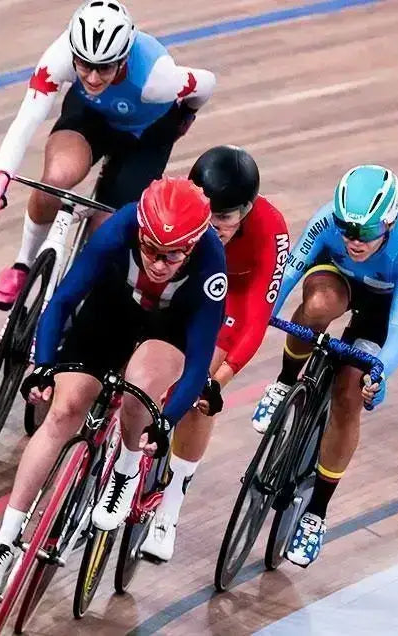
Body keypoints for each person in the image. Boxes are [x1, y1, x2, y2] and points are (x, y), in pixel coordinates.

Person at [0, 177, 226, 595]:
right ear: (140, 232)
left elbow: (198, 361)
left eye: (172, 255)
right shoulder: (119, 228)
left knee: (138, 389)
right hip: (113, 309)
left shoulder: (212, 264)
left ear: (193, 246)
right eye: (151, 251)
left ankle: (125, 470)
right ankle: (4, 542)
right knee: (63, 411)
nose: (159, 263)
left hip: (169, 329)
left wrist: (166, 423)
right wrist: (44, 367)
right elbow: (64, 300)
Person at [0, 0, 215, 310]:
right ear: (74, 54)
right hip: (91, 117)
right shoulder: (59, 57)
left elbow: (206, 83)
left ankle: (72, 301)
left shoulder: (158, 79)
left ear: (124, 58)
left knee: (107, 229)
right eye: (84, 65)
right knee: (54, 181)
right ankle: (22, 264)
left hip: (147, 134)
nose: (91, 77)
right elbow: (25, 121)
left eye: (104, 67)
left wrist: (185, 116)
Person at [251, 165, 398, 567]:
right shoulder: (325, 223)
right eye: (345, 229)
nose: (353, 240)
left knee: (349, 394)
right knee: (316, 307)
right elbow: (287, 276)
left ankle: (315, 513)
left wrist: (379, 372)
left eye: (365, 233)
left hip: (382, 307)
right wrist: (258, 321)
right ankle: (284, 382)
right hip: (339, 282)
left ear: (387, 223)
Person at [137, 146, 290, 561]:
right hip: (186, 281)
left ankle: (169, 509)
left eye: (226, 217)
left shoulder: (269, 230)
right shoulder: (182, 212)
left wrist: (218, 382)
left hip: (231, 303)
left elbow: (258, 316)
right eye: (211, 214)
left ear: (248, 209)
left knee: (198, 394)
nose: (216, 225)